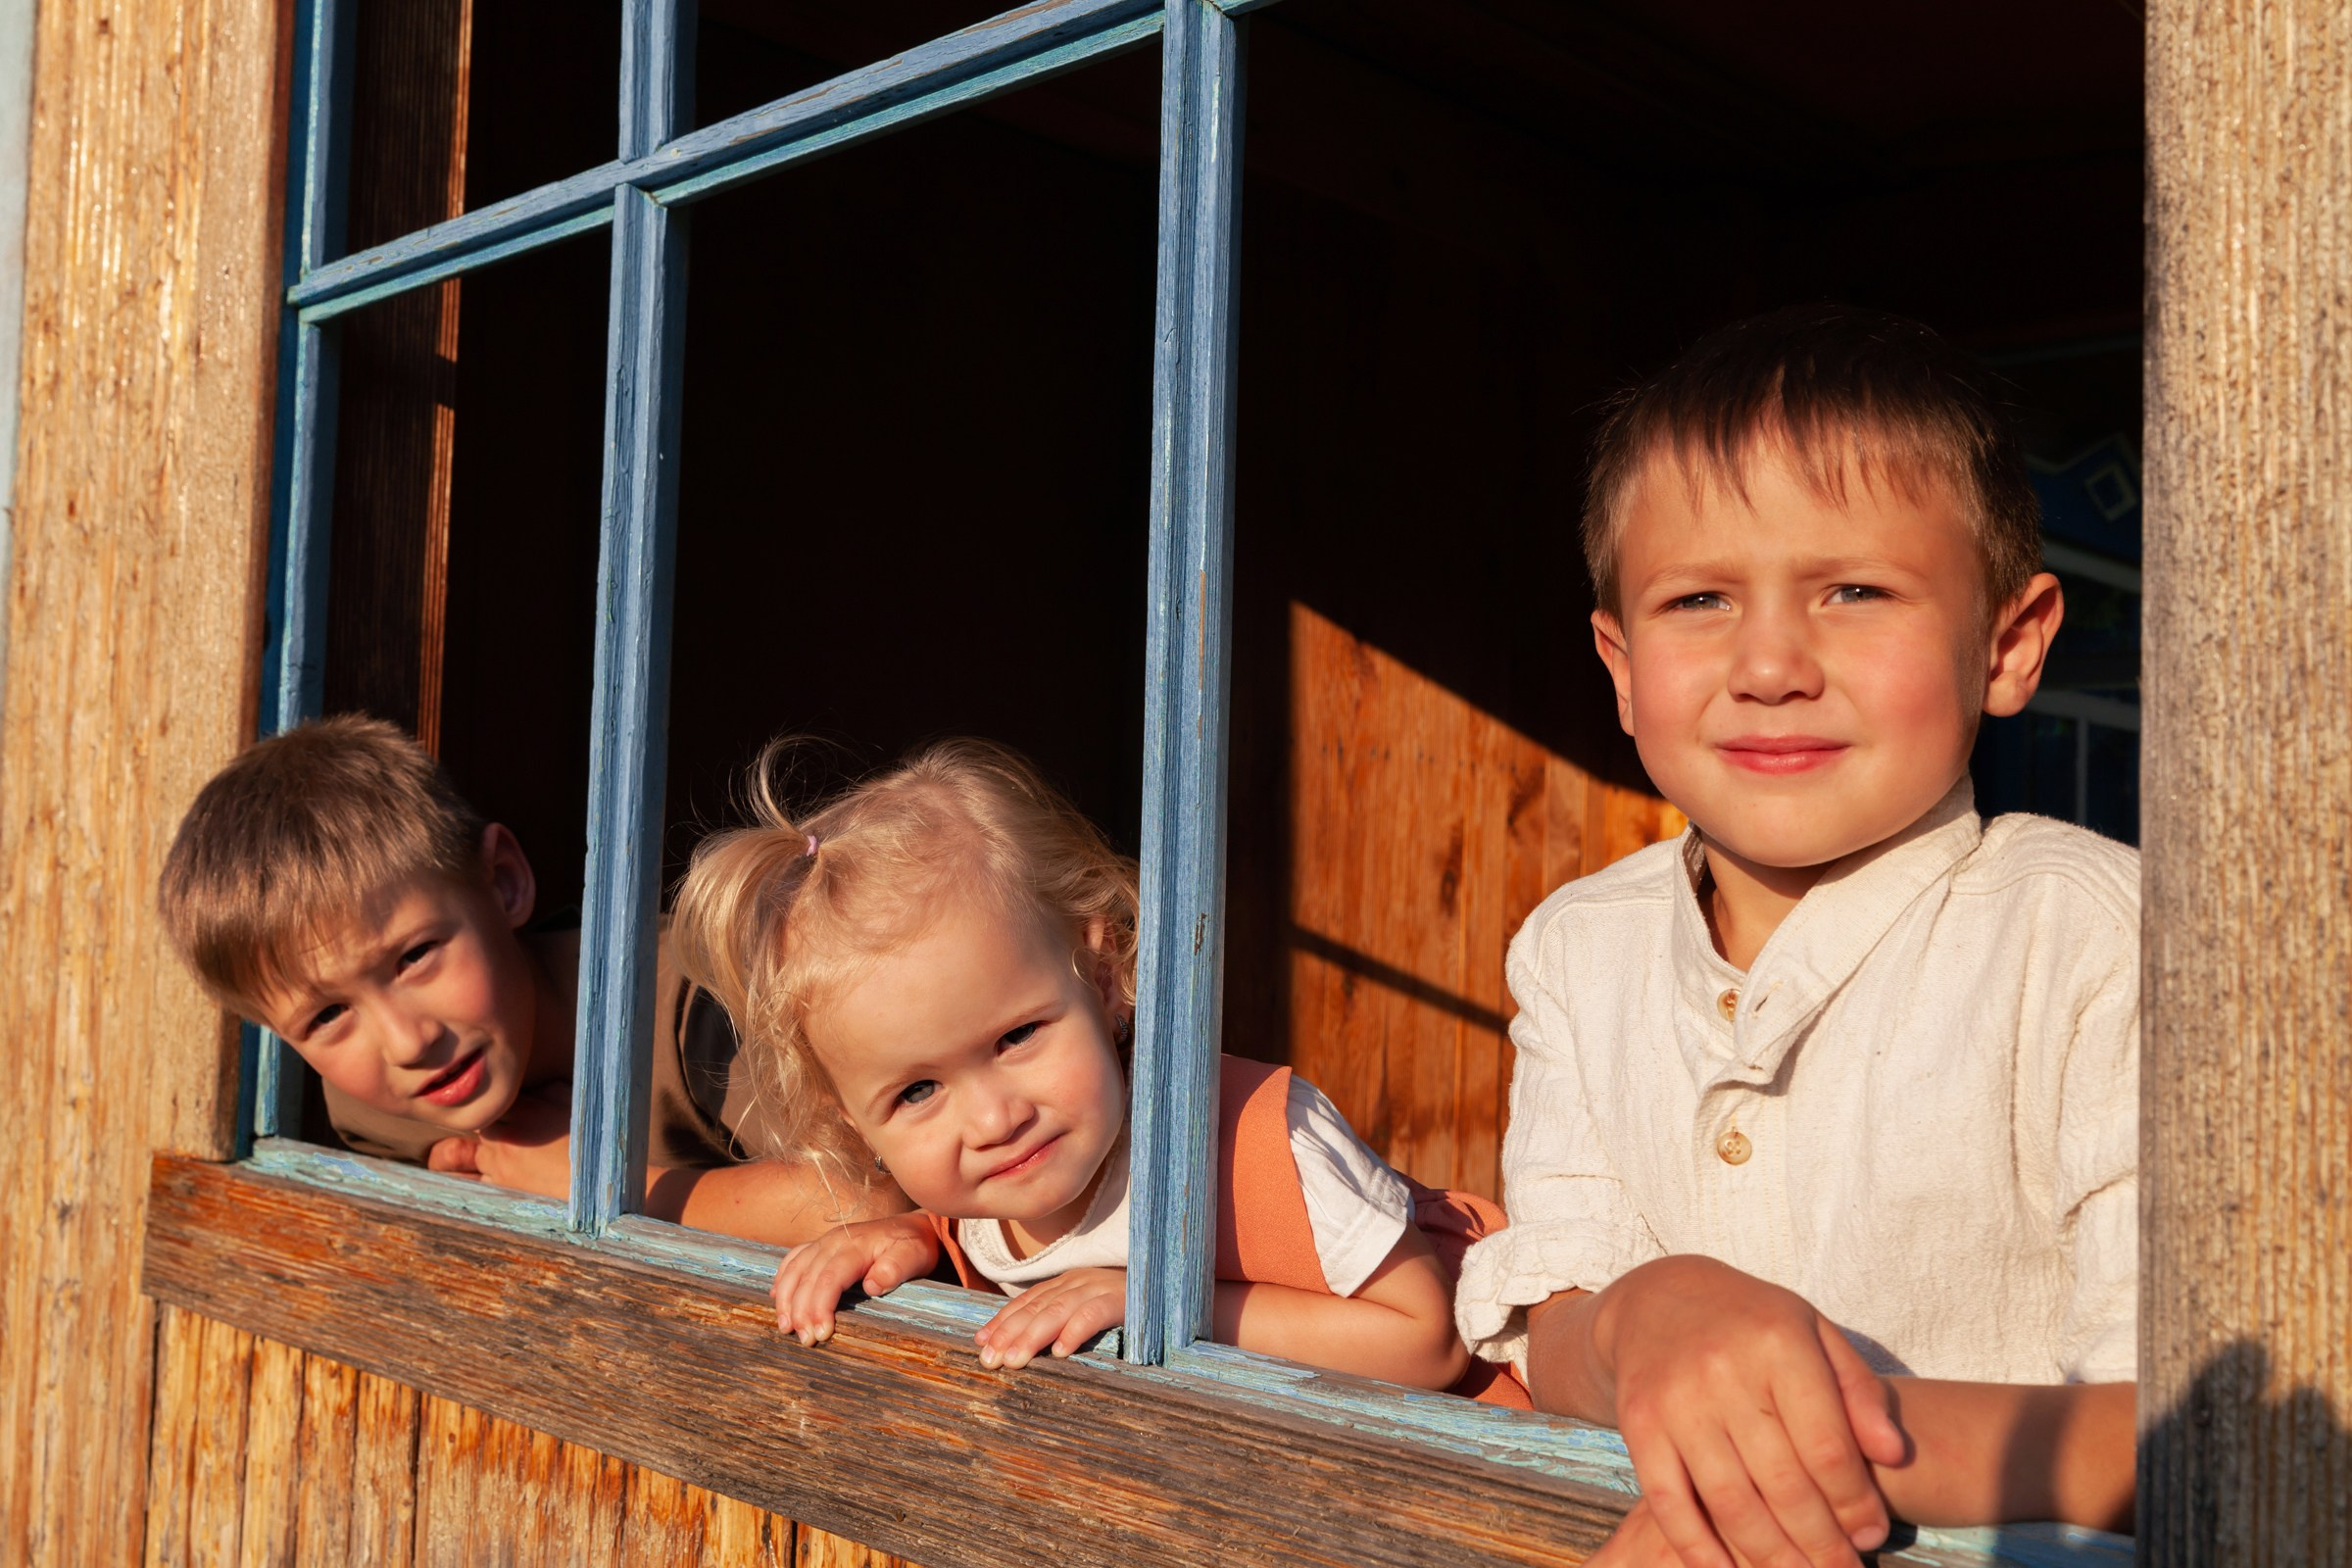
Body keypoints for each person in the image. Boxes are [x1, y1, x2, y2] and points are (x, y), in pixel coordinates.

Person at [1452, 304, 2138, 1565]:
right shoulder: (1576, 948)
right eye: (1701, 597)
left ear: (2008, 640)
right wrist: (1640, 1322)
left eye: (1856, 589)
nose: (1770, 663)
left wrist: (1766, 1464)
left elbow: (2175, 1428)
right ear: (1618, 664)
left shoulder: (2095, 938)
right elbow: (1553, 1318)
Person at [669, 738, 1518, 1400]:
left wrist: (1153, 1298)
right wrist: (912, 1239)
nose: (994, 1118)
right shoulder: (977, 1205)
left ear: (1104, 977)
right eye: (918, 1091)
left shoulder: (1259, 1143)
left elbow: (1428, 1342)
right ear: (854, 1120)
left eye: (1016, 1039)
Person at [158, 714, 905, 1246]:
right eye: (325, 1018)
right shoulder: (374, 1105)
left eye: (415, 956)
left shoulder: (696, 1007)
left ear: (504, 882)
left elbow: (875, 1197)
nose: (408, 1040)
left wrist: (587, 1181)